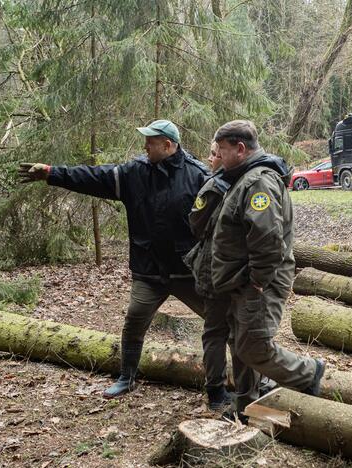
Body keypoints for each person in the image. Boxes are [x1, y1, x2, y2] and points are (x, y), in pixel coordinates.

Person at [18, 120, 228, 405]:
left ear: (167, 145)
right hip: (149, 271)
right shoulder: (134, 172)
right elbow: (93, 176)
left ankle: (246, 379)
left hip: (187, 271)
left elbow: (221, 221)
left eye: (150, 142)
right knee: (133, 321)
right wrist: (52, 174)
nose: (145, 147)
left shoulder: (197, 175)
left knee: (221, 323)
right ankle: (126, 376)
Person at [209, 120, 324, 420]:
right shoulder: (243, 177)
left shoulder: (258, 181)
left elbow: (267, 237)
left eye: (222, 150)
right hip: (241, 279)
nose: (218, 156)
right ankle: (246, 405)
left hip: (258, 282)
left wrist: (258, 280)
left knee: (254, 346)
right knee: (239, 342)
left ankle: (309, 374)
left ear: (240, 148)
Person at [183, 142, 234, 410]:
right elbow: (195, 221)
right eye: (211, 154)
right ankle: (216, 390)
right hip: (212, 268)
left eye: (215, 154)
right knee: (216, 331)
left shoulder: (223, 184)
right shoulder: (214, 185)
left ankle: (241, 386)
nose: (210, 159)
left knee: (228, 332)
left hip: (222, 268)